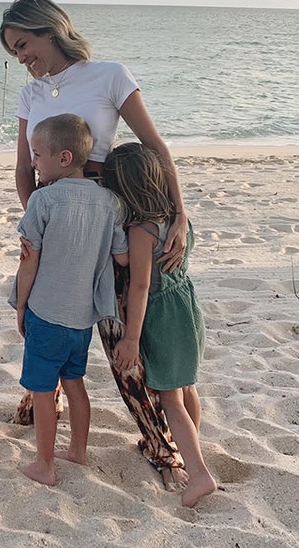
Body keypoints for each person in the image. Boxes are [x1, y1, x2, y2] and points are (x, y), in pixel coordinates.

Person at [0, 0, 192, 489]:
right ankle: (40, 402)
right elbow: (24, 168)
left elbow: (154, 147)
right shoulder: (31, 94)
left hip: (110, 221)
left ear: (49, 30)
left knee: (120, 337)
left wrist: (180, 213)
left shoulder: (109, 75)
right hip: (56, 226)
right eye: (12, 52)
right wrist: (40, 221)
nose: (21, 58)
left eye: (23, 44)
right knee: (47, 316)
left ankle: (160, 445)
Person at [14, 114, 128, 486]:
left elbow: (29, 263)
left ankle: (44, 465)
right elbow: (122, 256)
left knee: (43, 391)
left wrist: (20, 304)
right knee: (75, 384)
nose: (32, 163)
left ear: (63, 158)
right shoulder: (110, 203)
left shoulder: (43, 201)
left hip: (46, 313)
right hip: (82, 318)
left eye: (37, 155)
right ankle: (78, 450)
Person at [103, 141, 216, 507]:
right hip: (188, 311)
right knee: (187, 389)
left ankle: (199, 475)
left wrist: (132, 338)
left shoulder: (142, 230)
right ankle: (191, 448)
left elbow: (139, 285)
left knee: (169, 399)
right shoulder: (179, 220)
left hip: (162, 319)